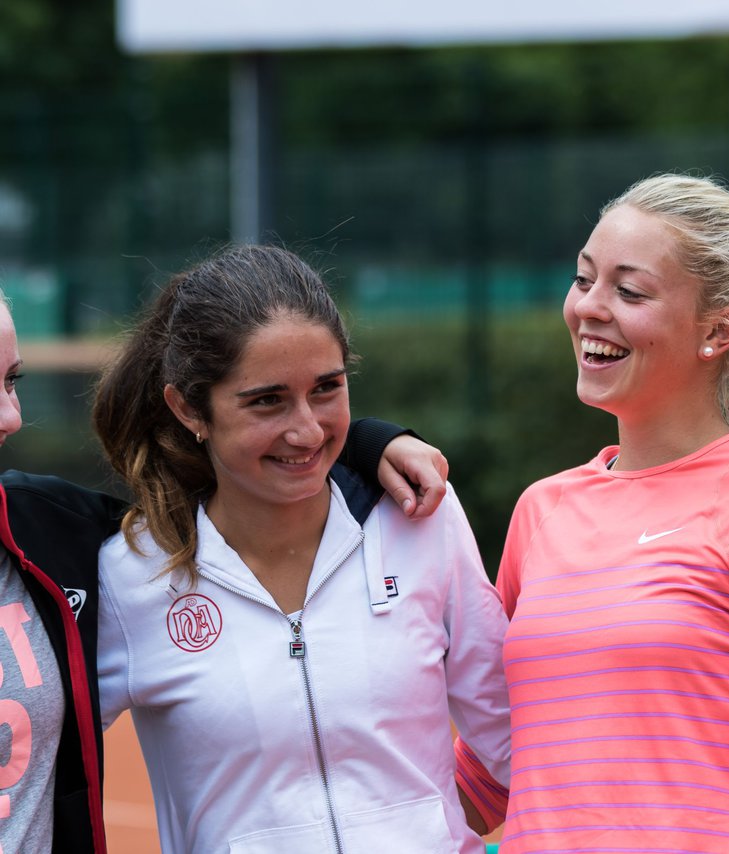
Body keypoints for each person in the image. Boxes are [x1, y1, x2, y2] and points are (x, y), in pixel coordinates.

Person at [455, 174, 729, 853]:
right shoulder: (541, 509)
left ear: (717, 332)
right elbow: (489, 772)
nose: (589, 307)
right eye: (583, 279)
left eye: (629, 290)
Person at [90, 245, 511, 853]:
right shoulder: (127, 579)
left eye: (326, 389)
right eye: (267, 400)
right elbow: (35, 769)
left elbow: (515, 737)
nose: (307, 430)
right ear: (188, 408)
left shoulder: (420, 519)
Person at [0, 285, 450, 854]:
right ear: (188, 408)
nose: (11, 416)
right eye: (266, 399)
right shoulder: (110, 566)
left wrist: (364, 443)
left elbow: (223, 491)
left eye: (14, 381)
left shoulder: (54, 536)